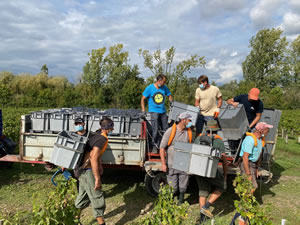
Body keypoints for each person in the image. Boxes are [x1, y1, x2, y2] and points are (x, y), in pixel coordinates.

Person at [75, 118, 114, 225]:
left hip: (81, 170)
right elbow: (93, 157)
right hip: (87, 171)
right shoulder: (102, 139)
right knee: (97, 198)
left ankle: (75, 220)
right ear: (108, 128)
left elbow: (94, 154)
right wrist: (97, 179)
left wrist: (100, 165)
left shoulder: (97, 135)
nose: (113, 129)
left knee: (82, 197)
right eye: (111, 127)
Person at [193, 120, 228, 222]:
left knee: (203, 192)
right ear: (216, 130)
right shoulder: (218, 141)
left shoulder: (198, 138)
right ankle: (206, 206)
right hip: (211, 170)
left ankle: (202, 218)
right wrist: (225, 175)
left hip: (198, 169)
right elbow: (224, 160)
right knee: (222, 186)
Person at [159, 111, 193, 205]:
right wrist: (163, 163)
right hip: (172, 164)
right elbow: (162, 148)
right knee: (172, 187)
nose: (190, 122)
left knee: (183, 185)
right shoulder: (170, 131)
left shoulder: (189, 132)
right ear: (183, 120)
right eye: (189, 120)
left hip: (184, 164)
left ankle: (180, 202)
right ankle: (169, 203)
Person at [141, 74, 173, 153]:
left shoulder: (164, 88)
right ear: (159, 81)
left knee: (166, 129)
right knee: (155, 130)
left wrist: (172, 103)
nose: (164, 83)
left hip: (163, 111)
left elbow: (169, 95)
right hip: (154, 111)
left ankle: (164, 146)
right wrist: (143, 110)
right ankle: (154, 146)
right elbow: (143, 99)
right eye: (163, 82)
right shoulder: (150, 88)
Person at [239, 122, 273, 192]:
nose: (268, 131)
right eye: (267, 129)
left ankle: (245, 201)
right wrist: (248, 173)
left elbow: (259, 155)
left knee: (249, 186)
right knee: (252, 186)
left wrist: (257, 169)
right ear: (261, 130)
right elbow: (245, 157)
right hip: (247, 164)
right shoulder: (250, 140)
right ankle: (245, 201)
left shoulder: (260, 140)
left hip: (253, 165)